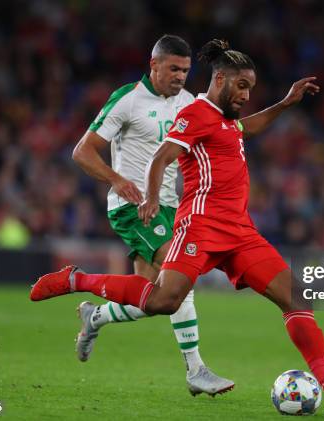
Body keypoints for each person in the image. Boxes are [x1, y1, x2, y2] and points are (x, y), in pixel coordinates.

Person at [31, 39, 324, 410]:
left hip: (241, 232)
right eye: (242, 86)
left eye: (251, 88)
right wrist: (150, 198)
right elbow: (161, 157)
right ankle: (76, 280)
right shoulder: (195, 113)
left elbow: (246, 128)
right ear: (220, 80)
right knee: (165, 299)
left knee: (296, 298)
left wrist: (284, 103)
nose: (247, 95)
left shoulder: (224, 120)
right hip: (200, 226)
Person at [68, 34, 233, 396]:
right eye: (173, 68)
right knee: (182, 279)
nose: (180, 76)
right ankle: (196, 371)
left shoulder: (189, 102)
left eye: (186, 70)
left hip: (170, 208)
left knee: (154, 299)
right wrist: (117, 179)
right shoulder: (127, 100)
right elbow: (83, 151)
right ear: (153, 65)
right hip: (133, 209)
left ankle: (96, 316)